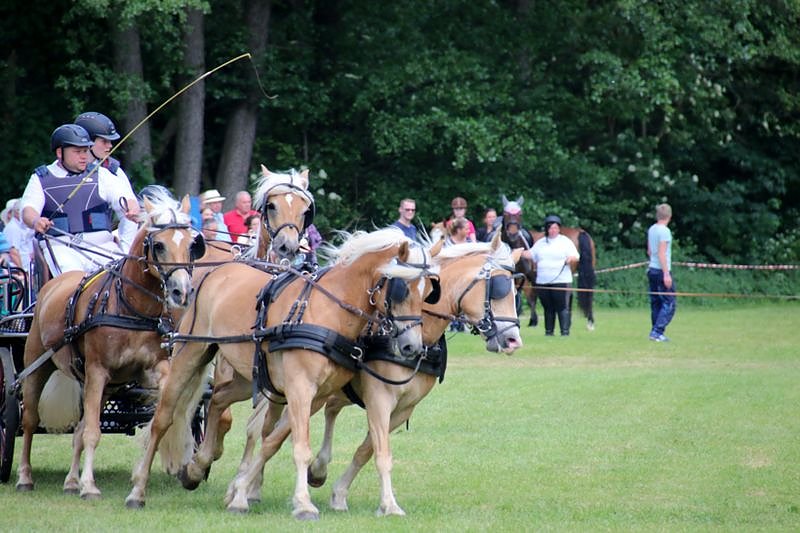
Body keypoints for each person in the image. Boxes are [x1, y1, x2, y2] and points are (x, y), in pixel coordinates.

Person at [20, 124, 137, 275]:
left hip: (103, 247)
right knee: (72, 282)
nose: (84, 156)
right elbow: (28, 210)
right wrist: (36, 221)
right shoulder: (40, 178)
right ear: (60, 152)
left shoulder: (101, 174)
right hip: (61, 248)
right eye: (77, 152)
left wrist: (132, 207)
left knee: (122, 279)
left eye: (85, 151)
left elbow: (125, 197)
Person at [74, 111, 139, 252]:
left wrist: (125, 251)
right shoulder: (57, 170)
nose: (110, 146)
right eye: (104, 141)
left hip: (102, 245)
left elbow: (128, 218)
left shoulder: (114, 171)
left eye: (110, 141)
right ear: (89, 142)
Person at [525, 215, 579, 336]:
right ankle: (549, 332)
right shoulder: (541, 243)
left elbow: (576, 256)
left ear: (559, 229)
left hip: (561, 280)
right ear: (547, 229)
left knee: (562, 307)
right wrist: (518, 252)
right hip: (543, 281)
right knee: (548, 308)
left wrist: (571, 259)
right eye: (550, 228)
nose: (553, 230)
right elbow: (531, 254)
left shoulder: (565, 241)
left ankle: (564, 332)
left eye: (555, 228)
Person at [647, 203, 675, 342]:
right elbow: (662, 254)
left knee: (656, 302)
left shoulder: (652, 229)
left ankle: (655, 330)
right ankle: (657, 331)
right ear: (669, 216)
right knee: (670, 302)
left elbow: (650, 251)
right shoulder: (665, 231)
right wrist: (666, 274)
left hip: (652, 269)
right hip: (661, 270)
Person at [3, 199, 35, 273]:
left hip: (27, 268)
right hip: (21, 270)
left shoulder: (20, 227)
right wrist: (21, 272)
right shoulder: (13, 227)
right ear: (18, 212)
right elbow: (13, 252)